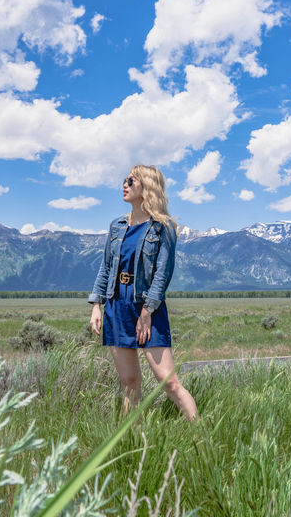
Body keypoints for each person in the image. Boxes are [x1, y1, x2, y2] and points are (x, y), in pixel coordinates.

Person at [88, 164, 198, 421]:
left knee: (168, 382)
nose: (124, 185)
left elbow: (163, 272)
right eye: (124, 180)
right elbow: (105, 267)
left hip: (148, 308)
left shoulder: (163, 227)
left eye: (130, 180)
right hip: (116, 306)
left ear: (146, 187)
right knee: (129, 383)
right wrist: (96, 304)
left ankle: (200, 432)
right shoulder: (116, 226)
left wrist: (147, 311)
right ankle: (132, 441)